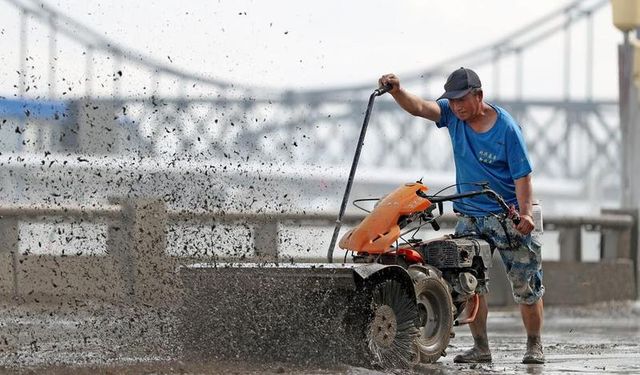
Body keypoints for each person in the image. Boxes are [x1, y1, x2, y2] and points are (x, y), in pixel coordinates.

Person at [378, 68, 545, 364]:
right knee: (470, 285)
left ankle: (534, 345)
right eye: (452, 101)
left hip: (508, 215)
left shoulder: (506, 128)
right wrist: (397, 91)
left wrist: (526, 214)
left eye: (462, 100)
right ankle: (481, 348)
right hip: (470, 214)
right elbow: (419, 108)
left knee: (526, 285)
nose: (456, 107)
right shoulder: (452, 116)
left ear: (479, 95)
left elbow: (524, 176)